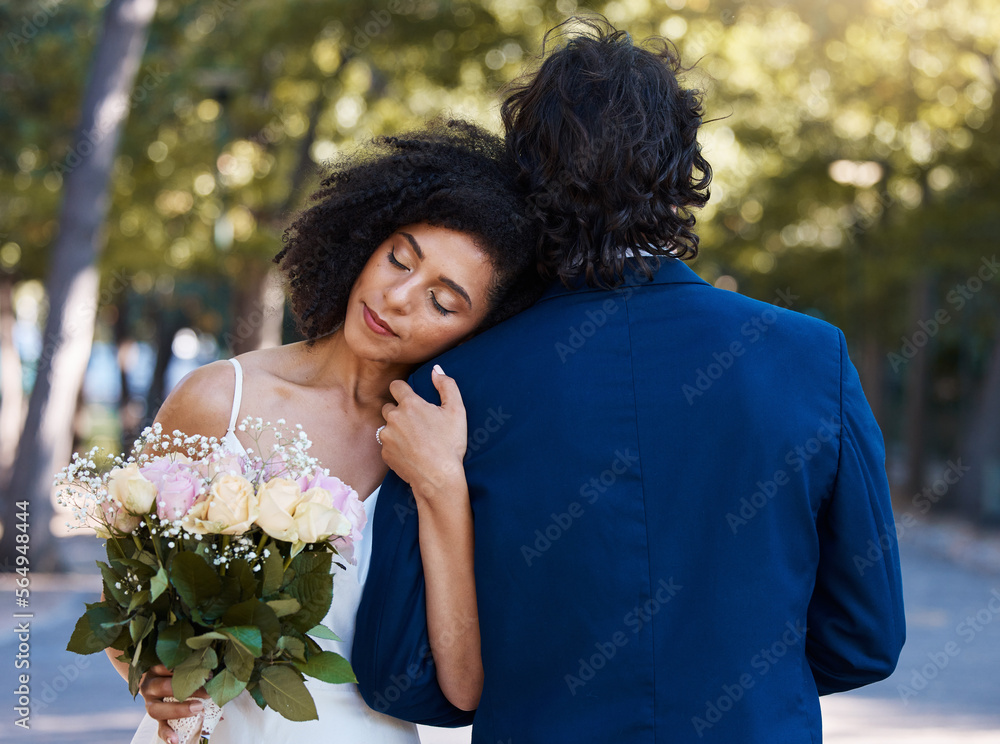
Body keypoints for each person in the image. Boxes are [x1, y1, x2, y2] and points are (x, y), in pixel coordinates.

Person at [352, 19, 906, 742]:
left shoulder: (452, 387)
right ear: (685, 172)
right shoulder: (812, 359)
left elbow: (403, 675)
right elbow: (866, 638)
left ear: (525, 180)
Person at [108, 120, 543, 744]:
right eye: (399, 258)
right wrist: (148, 677)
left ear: (479, 334)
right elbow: (126, 613)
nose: (397, 298)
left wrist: (440, 482)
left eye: (442, 302)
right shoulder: (217, 401)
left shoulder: (457, 448)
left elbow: (463, 685)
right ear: (364, 237)